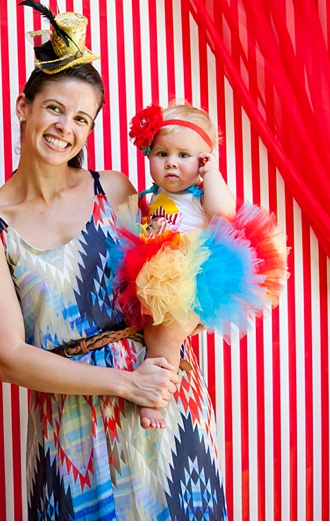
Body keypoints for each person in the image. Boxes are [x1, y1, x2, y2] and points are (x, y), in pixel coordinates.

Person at [0, 1, 227, 520]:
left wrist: (169, 349)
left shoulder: (118, 191)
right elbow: (7, 358)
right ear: (24, 107)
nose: (65, 127)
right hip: (72, 437)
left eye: (82, 118)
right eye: (55, 108)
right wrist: (126, 383)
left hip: (168, 415)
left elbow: (176, 274)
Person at [115, 102, 289, 429]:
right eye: (161, 154)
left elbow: (224, 213)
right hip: (155, 276)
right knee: (152, 331)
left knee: (162, 337)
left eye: (184, 156)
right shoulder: (149, 199)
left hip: (191, 274)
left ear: (203, 160)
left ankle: (155, 394)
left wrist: (212, 175)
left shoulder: (199, 195)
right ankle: (162, 370)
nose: (171, 163)